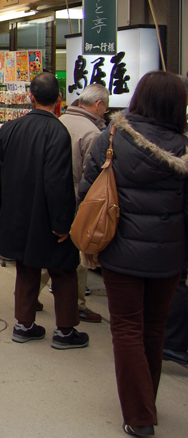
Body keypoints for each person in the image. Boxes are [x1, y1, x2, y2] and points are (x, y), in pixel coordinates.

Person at [79, 71, 188, 437]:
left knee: (126, 328)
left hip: (120, 249)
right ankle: (146, 403)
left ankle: (140, 416)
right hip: (170, 255)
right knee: (154, 328)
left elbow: (88, 190)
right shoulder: (184, 148)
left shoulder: (111, 137)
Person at [0, 72, 87, 350]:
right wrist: (62, 223)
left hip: (17, 211)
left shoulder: (10, 129)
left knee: (26, 268)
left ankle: (24, 324)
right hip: (48, 215)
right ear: (59, 98)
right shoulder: (58, 132)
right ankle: (65, 330)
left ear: (30, 97)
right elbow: (58, 181)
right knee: (64, 270)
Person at [56, 83, 110, 323]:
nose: (105, 113)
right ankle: (75, 305)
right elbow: (93, 175)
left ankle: (29, 294)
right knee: (76, 253)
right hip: (77, 197)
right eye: (105, 108)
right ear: (98, 105)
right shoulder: (93, 133)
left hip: (53, 194)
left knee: (54, 248)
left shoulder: (60, 120)